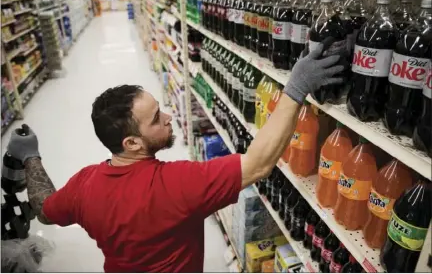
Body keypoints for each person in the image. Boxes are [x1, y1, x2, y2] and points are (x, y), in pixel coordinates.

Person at [6, 38, 345, 272]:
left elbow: (45, 212)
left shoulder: (83, 185)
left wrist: (31, 157)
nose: (168, 117)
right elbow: (258, 165)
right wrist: (296, 89)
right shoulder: (177, 185)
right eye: (156, 119)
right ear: (132, 144)